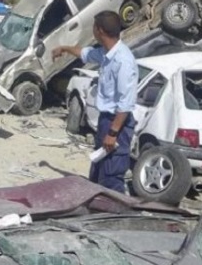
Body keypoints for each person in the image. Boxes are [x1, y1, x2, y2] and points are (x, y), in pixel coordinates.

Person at [53, 11, 138, 193]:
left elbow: (125, 103)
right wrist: (64, 48)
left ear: (99, 30)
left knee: (111, 175)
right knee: (98, 169)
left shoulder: (123, 61)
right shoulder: (106, 54)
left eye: (93, 27)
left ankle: (115, 209)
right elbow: (85, 53)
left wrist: (113, 133)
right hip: (106, 120)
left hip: (118, 124)